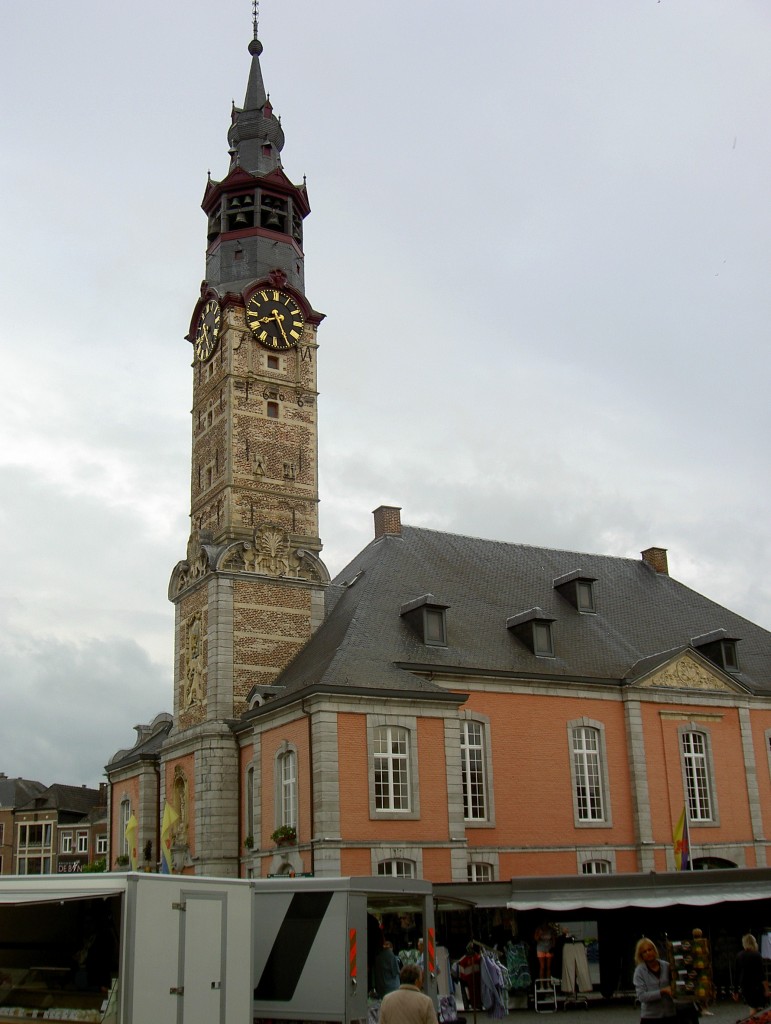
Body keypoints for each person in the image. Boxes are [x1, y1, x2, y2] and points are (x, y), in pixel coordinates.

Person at [633, 938, 676, 1024]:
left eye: (650, 949)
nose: (648, 953)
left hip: (670, 1014)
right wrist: (662, 991)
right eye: (644, 952)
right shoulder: (639, 971)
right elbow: (642, 996)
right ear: (641, 955)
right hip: (650, 1017)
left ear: (654, 950)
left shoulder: (667, 966)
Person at [735, 933, 769, 1015]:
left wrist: (736, 991)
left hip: (744, 985)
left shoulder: (739, 955)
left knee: (752, 1007)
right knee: (756, 1008)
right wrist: (767, 989)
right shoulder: (756, 955)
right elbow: (761, 974)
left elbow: (736, 974)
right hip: (756, 985)